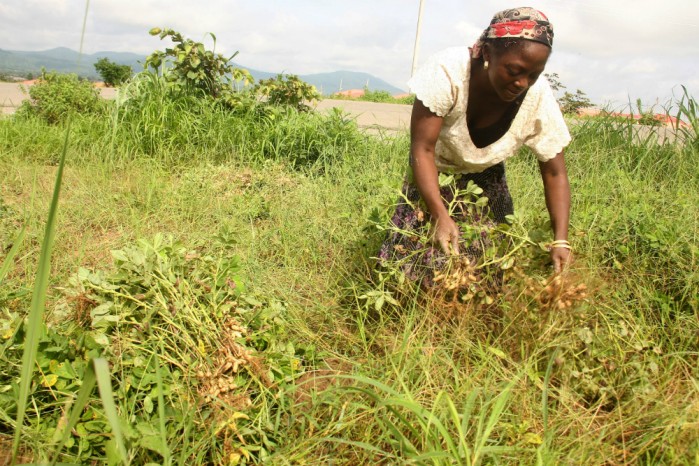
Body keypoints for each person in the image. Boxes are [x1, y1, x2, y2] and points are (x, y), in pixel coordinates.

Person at [378, 7, 573, 286]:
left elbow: (555, 173)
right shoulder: (448, 72)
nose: (522, 83)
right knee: (411, 267)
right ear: (488, 54)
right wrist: (439, 214)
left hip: (487, 178)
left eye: (534, 74)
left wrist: (561, 239)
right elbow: (422, 150)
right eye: (514, 70)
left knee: (487, 265)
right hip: (434, 171)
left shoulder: (538, 98)